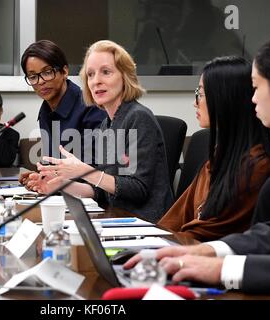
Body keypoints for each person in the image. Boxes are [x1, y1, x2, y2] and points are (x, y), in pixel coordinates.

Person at [124, 33, 270, 294]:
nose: (251, 98)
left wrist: (220, 268)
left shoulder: (268, 164)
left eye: (255, 87)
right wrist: (205, 252)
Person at [28, 40, 174, 222]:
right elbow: (101, 192)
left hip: (147, 223)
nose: (96, 81)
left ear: (125, 76)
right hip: (118, 218)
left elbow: (138, 189)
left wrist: (84, 172)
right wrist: (59, 185)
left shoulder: (138, 117)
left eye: (106, 72)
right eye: (90, 74)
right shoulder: (106, 123)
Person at [157, 56, 270, 241]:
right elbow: (176, 217)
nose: (195, 102)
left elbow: (210, 232)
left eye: (201, 93)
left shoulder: (257, 166)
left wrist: (157, 246)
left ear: (225, 99)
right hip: (186, 252)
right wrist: (150, 239)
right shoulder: (218, 156)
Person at [18, 40, 106, 185]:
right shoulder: (45, 111)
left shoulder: (91, 106)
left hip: (94, 197)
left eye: (47, 72)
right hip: (62, 195)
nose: (40, 82)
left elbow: (94, 169)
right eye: (33, 77)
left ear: (64, 71)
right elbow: (55, 163)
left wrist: (52, 178)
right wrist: (41, 175)